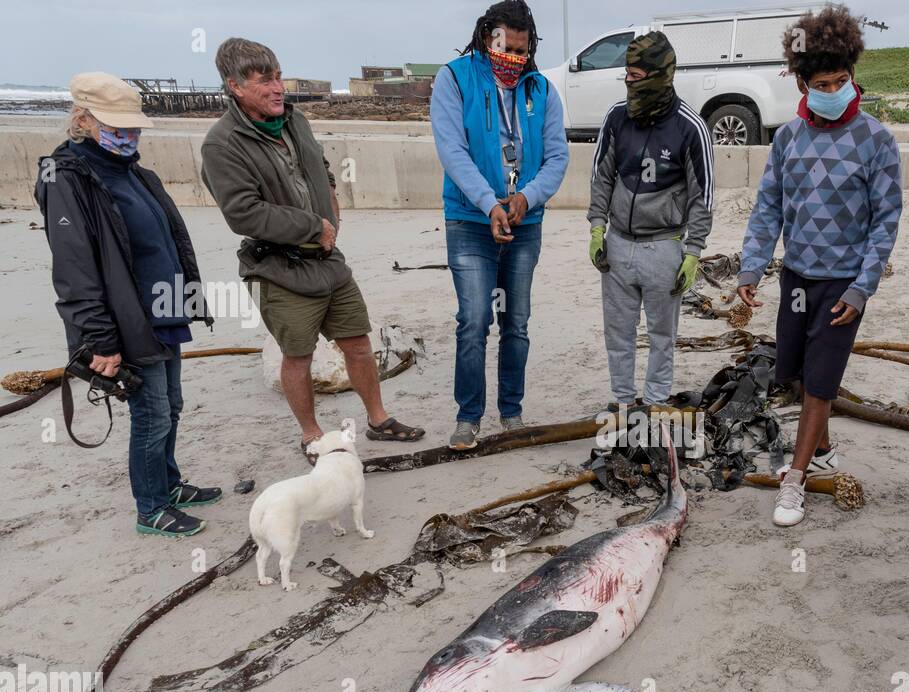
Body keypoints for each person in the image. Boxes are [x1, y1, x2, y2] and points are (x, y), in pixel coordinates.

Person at [201, 37, 424, 462]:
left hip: (327, 259)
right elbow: (242, 214)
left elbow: (318, 165)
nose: (276, 88)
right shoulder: (221, 144)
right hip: (278, 267)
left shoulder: (294, 120)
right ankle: (312, 435)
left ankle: (378, 420)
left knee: (358, 342)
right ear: (234, 86)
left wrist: (332, 198)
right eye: (263, 81)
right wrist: (312, 224)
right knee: (298, 356)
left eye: (278, 76)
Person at [735, 4, 902, 527]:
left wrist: (862, 289)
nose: (834, 90)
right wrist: (751, 267)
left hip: (843, 283)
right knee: (797, 375)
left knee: (823, 380)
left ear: (853, 75)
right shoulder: (788, 139)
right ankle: (824, 450)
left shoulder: (877, 140)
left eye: (842, 80)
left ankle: (795, 480)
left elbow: (886, 220)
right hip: (797, 277)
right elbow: (768, 209)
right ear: (803, 85)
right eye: (822, 82)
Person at [36, 72, 220, 538]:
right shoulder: (67, 177)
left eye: (133, 127)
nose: (129, 136)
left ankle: (170, 484)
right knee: (152, 412)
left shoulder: (134, 171)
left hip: (165, 309)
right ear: (83, 119)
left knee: (171, 405)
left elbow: (165, 242)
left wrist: (189, 300)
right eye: (118, 126)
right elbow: (75, 269)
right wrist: (98, 339)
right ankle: (151, 507)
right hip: (126, 320)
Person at [431, 0, 569, 449]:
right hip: (471, 220)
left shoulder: (542, 90)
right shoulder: (454, 78)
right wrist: (490, 203)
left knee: (517, 320)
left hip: (525, 222)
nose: (512, 59)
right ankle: (468, 415)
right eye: (503, 48)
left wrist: (526, 198)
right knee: (473, 319)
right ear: (485, 37)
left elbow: (557, 157)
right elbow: (453, 152)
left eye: (521, 50)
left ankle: (511, 412)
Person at [588, 30, 714, 411]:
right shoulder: (615, 118)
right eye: (626, 74)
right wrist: (597, 229)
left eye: (638, 76)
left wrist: (692, 253)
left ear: (661, 74)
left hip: (664, 247)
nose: (630, 82)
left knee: (662, 335)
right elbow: (601, 176)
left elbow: (702, 197)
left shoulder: (691, 128)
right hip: (618, 245)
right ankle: (624, 402)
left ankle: (656, 403)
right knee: (618, 333)